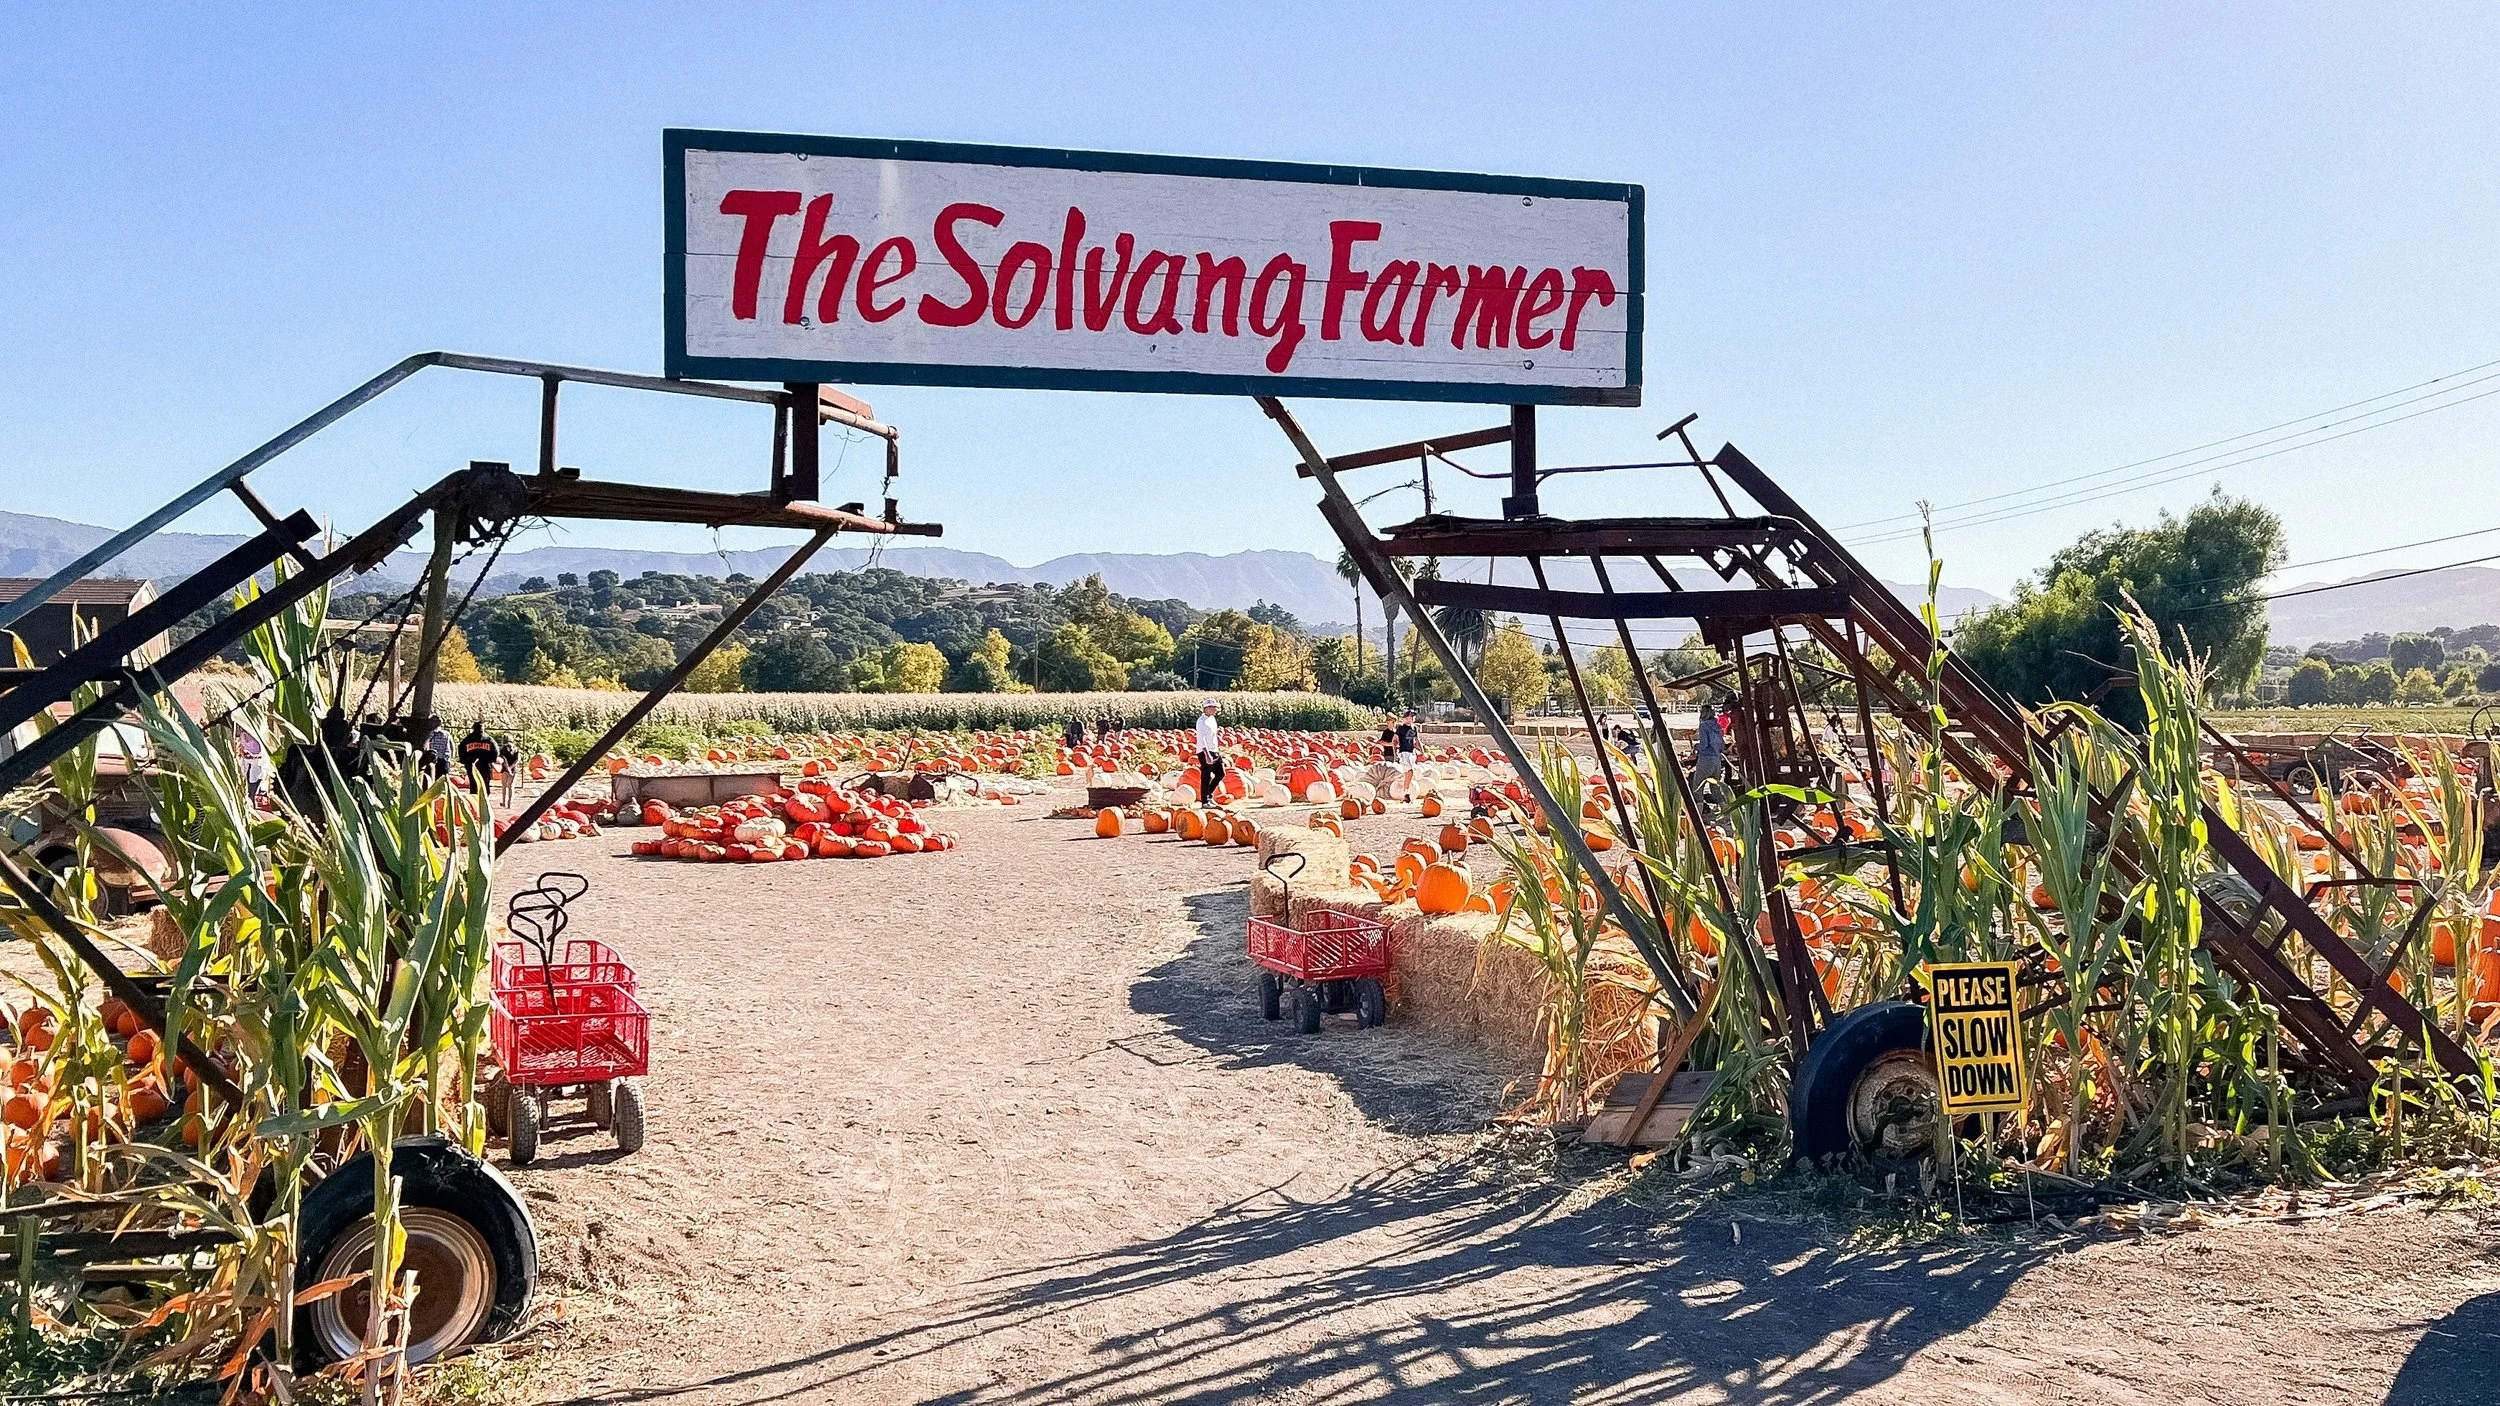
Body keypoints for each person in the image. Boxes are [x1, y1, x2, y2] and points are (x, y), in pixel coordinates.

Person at [458, 721, 498, 797]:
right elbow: (495, 751)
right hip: (484, 765)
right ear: (483, 728)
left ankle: (475, 801)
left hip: (472, 764)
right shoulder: (488, 739)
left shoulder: (468, 739)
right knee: (484, 784)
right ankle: (484, 800)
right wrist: (491, 760)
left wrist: (464, 761)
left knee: (474, 784)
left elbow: (461, 748)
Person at [1195, 700, 1223, 803]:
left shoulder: (1212, 719)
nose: (1215, 709)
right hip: (1205, 752)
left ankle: (1208, 794)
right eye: (1213, 707)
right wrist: (1207, 755)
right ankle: (1205, 802)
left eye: (1215, 707)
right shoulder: (1201, 721)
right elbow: (1202, 739)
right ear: (1207, 708)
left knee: (1221, 774)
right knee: (1206, 777)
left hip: (1214, 750)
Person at [234, 726, 268, 801]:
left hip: (257, 762)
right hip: (247, 761)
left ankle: (251, 797)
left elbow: (258, 751)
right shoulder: (243, 735)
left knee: (254, 780)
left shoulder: (255, 736)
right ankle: (249, 796)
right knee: (248, 778)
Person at [422, 715, 453, 780]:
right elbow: (452, 747)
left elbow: (452, 747)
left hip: (442, 760)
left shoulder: (445, 734)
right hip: (435, 760)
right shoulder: (445, 734)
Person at [1394, 709, 1419, 789]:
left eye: (1412, 716)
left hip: (1411, 752)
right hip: (1403, 752)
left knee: (1407, 772)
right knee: (1410, 772)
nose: (1411, 718)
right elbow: (1395, 740)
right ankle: (1406, 792)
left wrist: (1422, 751)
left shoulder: (1414, 728)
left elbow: (1417, 740)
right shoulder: (1400, 728)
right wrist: (1395, 753)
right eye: (1409, 716)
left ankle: (1405, 791)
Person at [497, 735, 520, 807]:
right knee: (510, 786)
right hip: (513, 770)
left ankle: (505, 803)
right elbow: (517, 760)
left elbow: (504, 761)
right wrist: (511, 768)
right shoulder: (516, 749)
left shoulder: (503, 749)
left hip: (506, 770)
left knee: (505, 786)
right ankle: (508, 803)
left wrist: (508, 768)